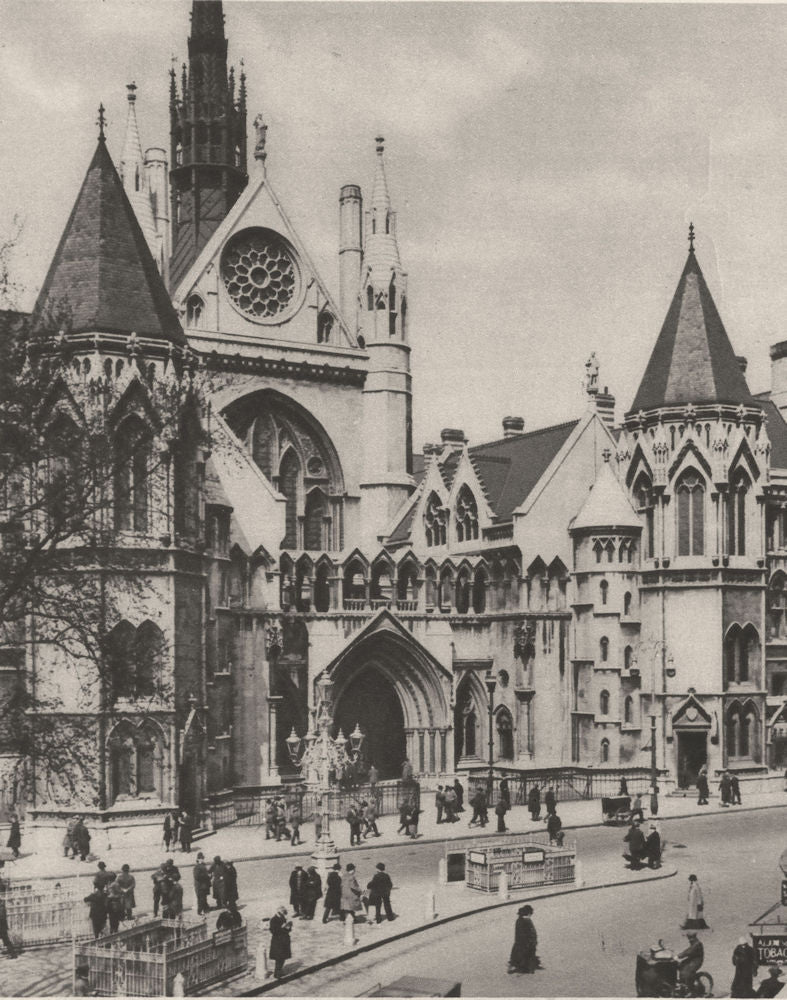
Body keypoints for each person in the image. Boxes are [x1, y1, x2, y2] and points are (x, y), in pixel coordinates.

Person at [508, 904, 539, 974]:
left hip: (519, 941)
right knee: (527, 954)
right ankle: (526, 968)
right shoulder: (527, 921)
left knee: (517, 954)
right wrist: (532, 940)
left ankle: (515, 966)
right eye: (530, 914)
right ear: (528, 913)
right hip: (526, 942)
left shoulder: (519, 920)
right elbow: (531, 932)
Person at [269, 906, 292, 980]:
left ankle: (280, 971)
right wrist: (282, 927)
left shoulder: (283, 918)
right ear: (279, 912)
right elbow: (273, 931)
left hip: (284, 940)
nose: (284, 914)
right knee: (279, 958)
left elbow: (287, 929)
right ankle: (277, 973)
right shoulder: (273, 920)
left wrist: (288, 927)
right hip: (278, 941)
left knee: (283, 957)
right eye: (283, 912)